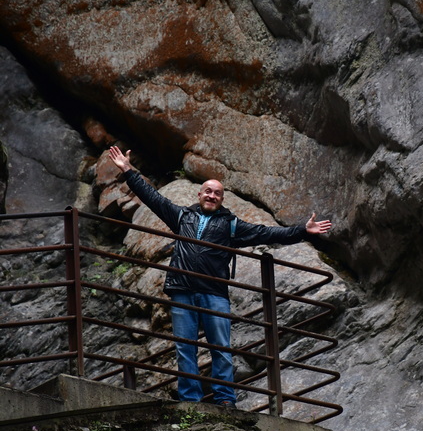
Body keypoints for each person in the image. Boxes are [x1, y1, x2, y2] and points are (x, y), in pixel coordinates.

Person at [107, 146, 331, 407]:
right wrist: (127, 169)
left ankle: (225, 400)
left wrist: (302, 231)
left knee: (221, 348)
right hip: (183, 289)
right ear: (199, 194)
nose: (212, 196)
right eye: (208, 191)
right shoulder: (181, 216)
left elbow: (266, 233)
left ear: (222, 199)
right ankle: (190, 400)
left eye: (217, 193)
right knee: (184, 347)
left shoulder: (231, 225)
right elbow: (152, 197)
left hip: (214, 292)